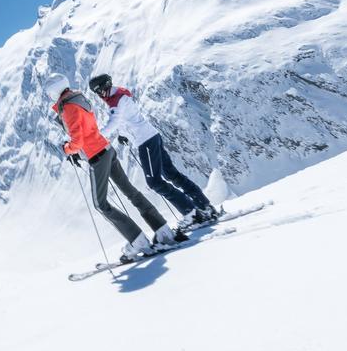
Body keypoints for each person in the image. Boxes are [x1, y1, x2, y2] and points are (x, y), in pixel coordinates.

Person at [44, 74, 183, 261]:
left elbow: (77, 141)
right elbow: (86, 131)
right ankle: (162, 230)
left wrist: (67, 149)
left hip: (96, 156)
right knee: (131, 192)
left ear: (53, 91)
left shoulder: (68, 107)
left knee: (100, 204)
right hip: (106, 149)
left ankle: (138, 240)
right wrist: (76, 148)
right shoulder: (78, 99)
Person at [88, 74, 220, 230]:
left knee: (155, 182)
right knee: (172, 175)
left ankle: (192, 213)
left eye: (97, 92)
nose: (98, 96)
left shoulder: (116, 101)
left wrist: (93, 137)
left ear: (103, 87)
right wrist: (124, 135)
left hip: (146, 142)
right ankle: (204, 206)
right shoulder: (119, 96)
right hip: (151, 136)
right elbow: (128, 119)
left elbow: (114, 122)